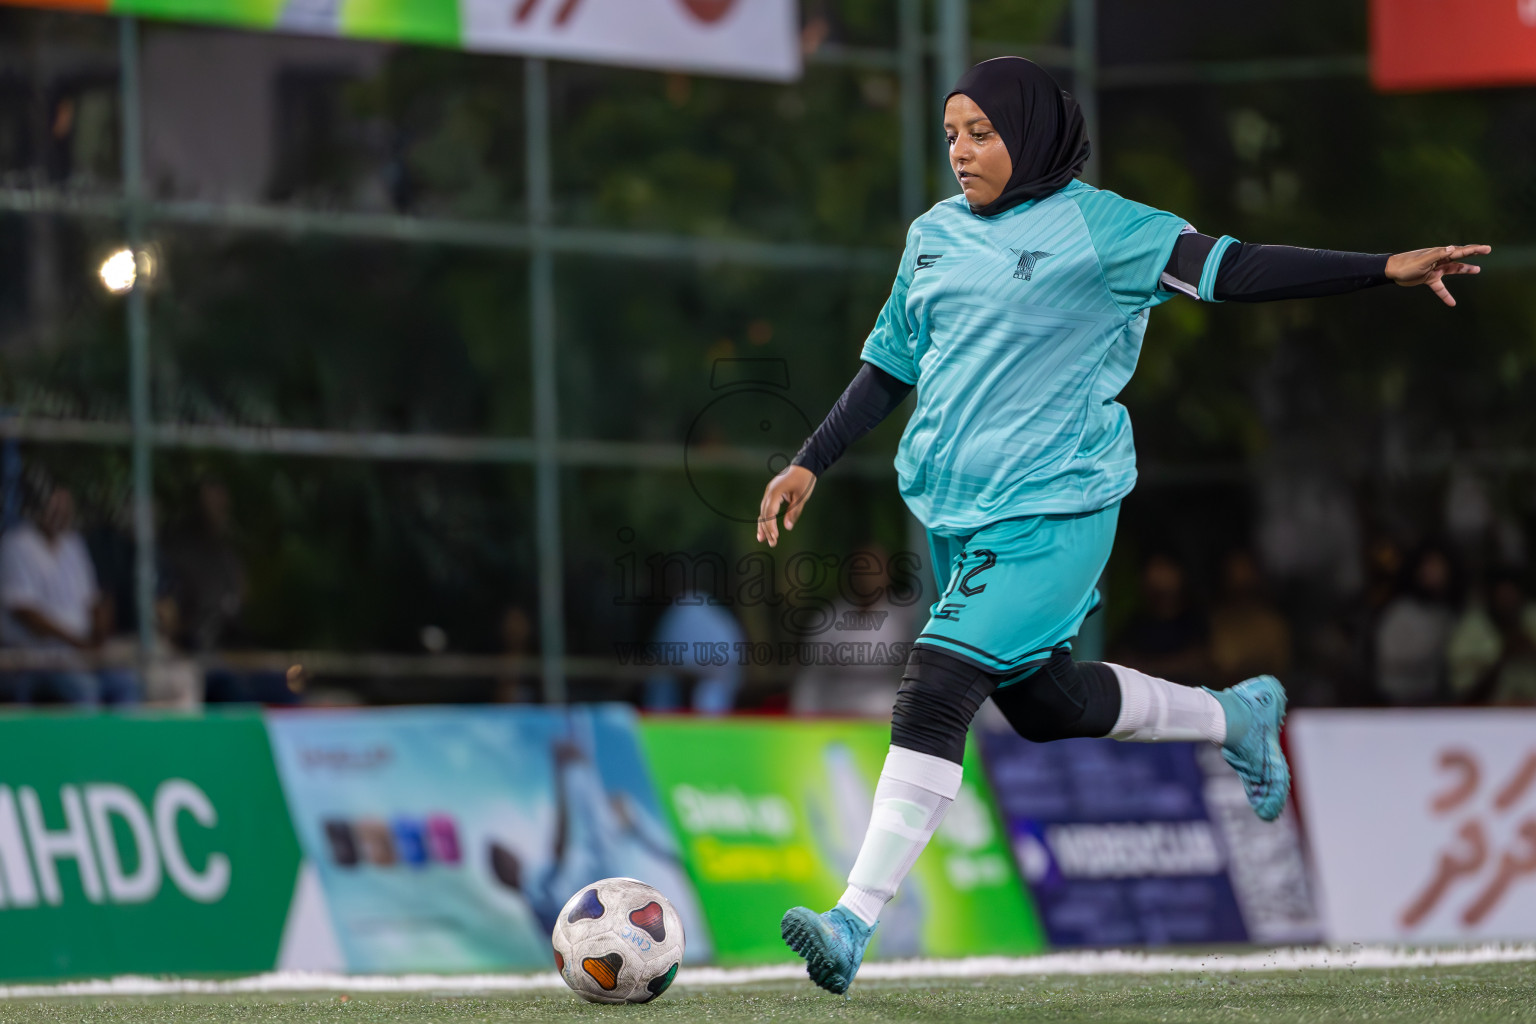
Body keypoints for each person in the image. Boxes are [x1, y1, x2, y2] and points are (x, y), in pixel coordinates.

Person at [752, 56, 1489, 994]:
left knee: (936, 687)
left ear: (1036, 133)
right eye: (952, 135)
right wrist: (811, 458)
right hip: (958, 515)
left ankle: (853, 923)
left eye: (982, 132)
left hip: (1056, 509)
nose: (963, 152)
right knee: (1043, 705)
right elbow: (893, 362)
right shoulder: (932, 236)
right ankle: (1235, 716)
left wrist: (1383, 268)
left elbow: (1234, 269)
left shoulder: (1108, 230)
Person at [0, 486, 111, 703]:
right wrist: (77, 642)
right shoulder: (16, 544)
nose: (61, 513)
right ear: (39, 509)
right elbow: (25, 612)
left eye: (65, 507)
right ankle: (85, 739)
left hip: (78, 656)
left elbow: (93, 600)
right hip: (34, 659)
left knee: (125, 683)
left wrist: (98, 637)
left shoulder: (73, 544)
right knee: (86, 689)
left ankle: (118, 739)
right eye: (54, 507)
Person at [1112, 552, 1211, 685]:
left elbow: (1200, 663)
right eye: (1152, 569)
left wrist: (1150, 667)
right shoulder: (1137, 623)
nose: (1156, 577)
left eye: (1163, 568)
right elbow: (1120, 662)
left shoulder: (1195, 620)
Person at [1374, 544, 1456, 704]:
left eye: (1439, 566)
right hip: (1398, 700)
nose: (1434, 572)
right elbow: (1388, 656)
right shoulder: (1400, 611)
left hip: (1435, 699)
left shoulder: (1447, 612)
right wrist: (1432, 647)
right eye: (1429, 565)